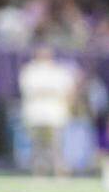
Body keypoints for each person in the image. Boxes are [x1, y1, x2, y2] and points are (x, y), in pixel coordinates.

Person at [18, 48, 77, 176]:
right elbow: (29, 90)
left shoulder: (59, 71)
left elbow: (69, 91)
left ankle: (59, 171)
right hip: (36, 115)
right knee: (38, 146)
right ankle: (39, 172)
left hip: (55, 115)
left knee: (56, 145)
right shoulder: (30, 71)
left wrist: (68, 107)